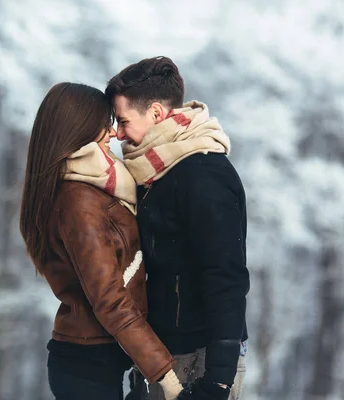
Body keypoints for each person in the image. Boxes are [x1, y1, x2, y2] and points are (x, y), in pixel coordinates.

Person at [19, 82, 184, 400]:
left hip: (93, 360)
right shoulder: (79, 200)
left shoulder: (85, 189)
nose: (113, 133)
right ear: (80, 126)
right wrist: (163, 370)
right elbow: (108, 297)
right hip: (87, 368)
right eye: (104, 123)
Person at [105, 57, 250, 400]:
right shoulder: (155, 172)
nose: (118, 133)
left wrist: (217, 380)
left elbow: (226, 274)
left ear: (156, 113)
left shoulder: (203, 174)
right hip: (163, 354)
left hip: (199, 360)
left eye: (123, 121)